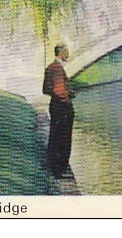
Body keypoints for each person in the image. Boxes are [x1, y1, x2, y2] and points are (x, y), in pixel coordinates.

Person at [43, 44, 75, 179]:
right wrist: (68, 98)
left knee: (55, 136)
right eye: (66, 52)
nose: (68, 54)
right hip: (62, 107)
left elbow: (46, 89)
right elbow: (59, 90)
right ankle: (60, 169)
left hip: (54, 105)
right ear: (61, 53)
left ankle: (54, 166)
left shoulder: (50, 67)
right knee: (63, 138)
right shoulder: (57, 69)